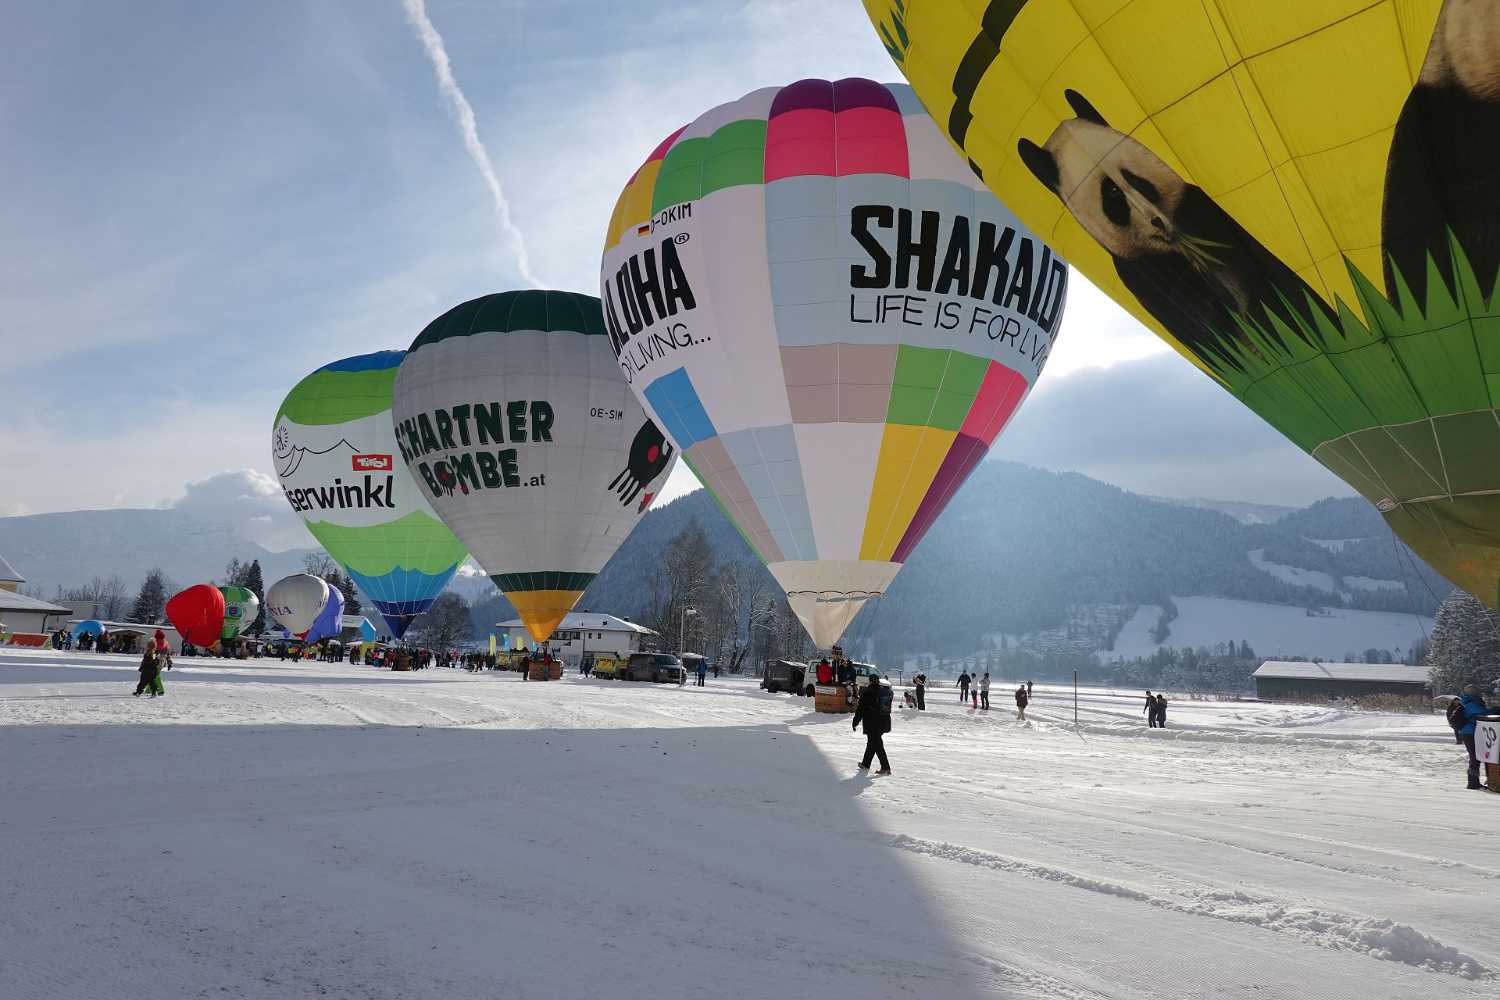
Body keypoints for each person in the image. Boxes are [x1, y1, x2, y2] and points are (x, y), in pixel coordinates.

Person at [1452, 685, 1491, 790]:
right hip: (1471, 733)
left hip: (1472, 732)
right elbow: (1483, 713)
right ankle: (1473, 783)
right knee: (1475, 757)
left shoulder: (1469, 701)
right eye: (1477, 691)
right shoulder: (1470, 703)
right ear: (1473, 692)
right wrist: (1495, 710)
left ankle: (1475, 781)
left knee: (1478, 757)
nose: (1479, 693)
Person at [852, 674, 891, 774]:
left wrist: (855, 722)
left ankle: (886, 767)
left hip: (872, 723)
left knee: (877, 745)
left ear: (870, 681)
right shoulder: (884, 691)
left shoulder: (867, 692)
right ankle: (866, 763)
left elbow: (860, 710)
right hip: (884, 722)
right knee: (872, 743)